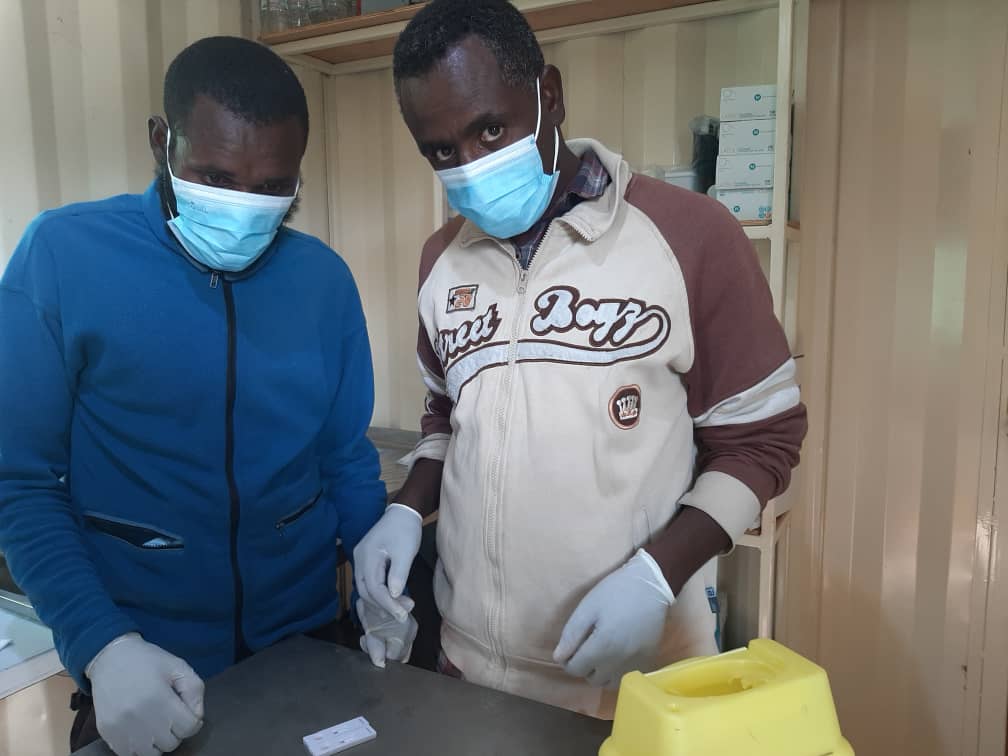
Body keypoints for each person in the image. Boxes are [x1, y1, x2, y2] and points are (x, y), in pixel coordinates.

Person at [353, 0, 808, 719]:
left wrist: (658, 577)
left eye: (491, 129)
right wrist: (407, 512)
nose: (470, 166)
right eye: (441, 151)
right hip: (468, 670)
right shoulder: (442, 261)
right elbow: (447, 417)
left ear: (549, 95)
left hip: (637, 685)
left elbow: (761, 441)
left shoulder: (689, 235)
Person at [0, 37, 413, 756]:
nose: (245, 209)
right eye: (216, 176)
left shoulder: (323, 282)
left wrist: (378, 559)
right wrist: (101, 646)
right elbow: (20, 484)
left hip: (306, 651)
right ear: (162, 142)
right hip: (142, 664)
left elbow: (342, 456)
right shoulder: (62, 258)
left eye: (272, 188)